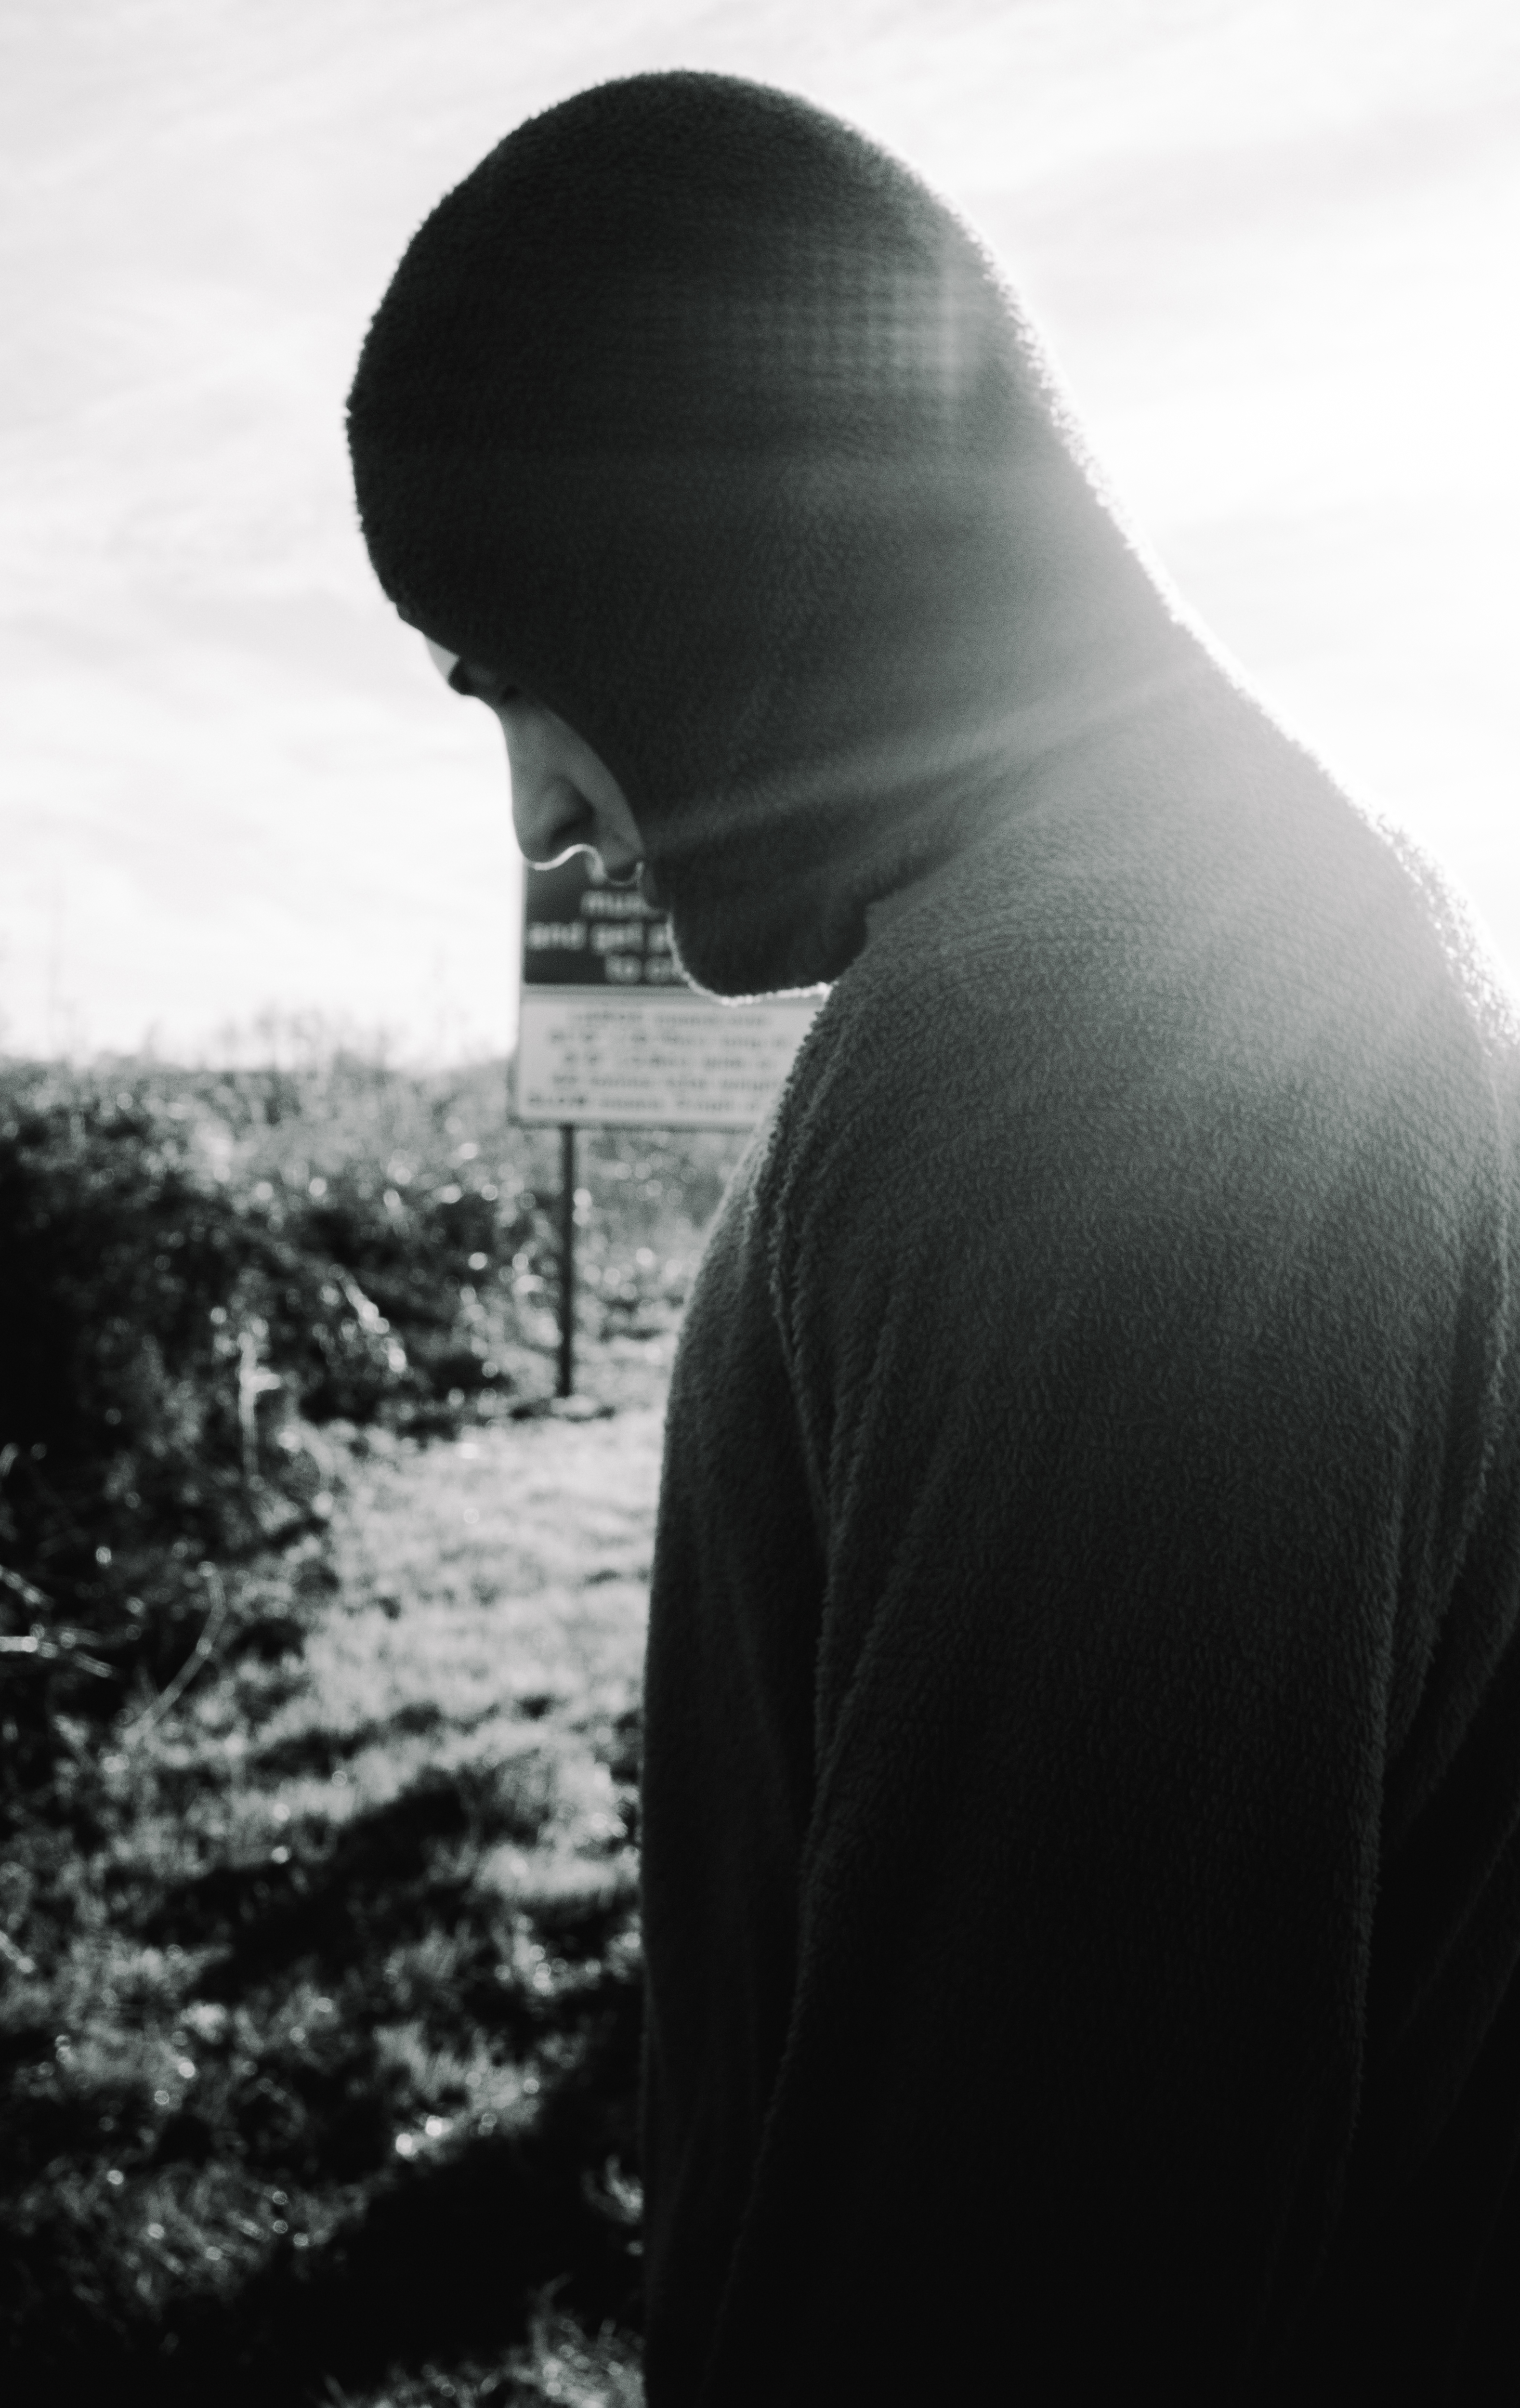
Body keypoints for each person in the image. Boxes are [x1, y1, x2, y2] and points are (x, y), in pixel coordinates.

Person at [346, 71, 1520, 2402]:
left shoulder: (1107, 1040)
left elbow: (1037, 2256)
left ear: (712, 553)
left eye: (518, 667)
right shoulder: (1177, 916)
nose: (541, 812)